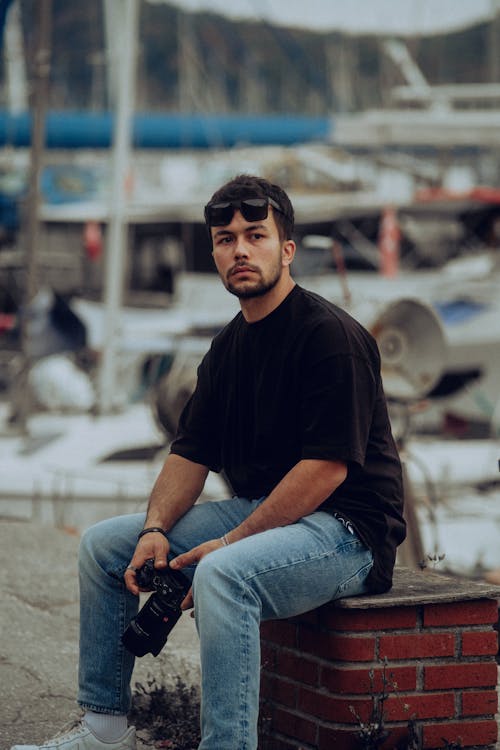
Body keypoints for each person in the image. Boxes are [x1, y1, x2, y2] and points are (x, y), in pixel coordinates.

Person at [12, 174, 406, 750]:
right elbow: (190, 451)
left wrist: (230, 544)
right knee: (104, 547)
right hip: (266, 513)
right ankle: (104, 729)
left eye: (255, 235)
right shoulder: (228, 347)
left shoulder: (330, 337)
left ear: (287, 248)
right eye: (225, 239)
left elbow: (327, 470)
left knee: (224, 575)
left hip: (347, 531)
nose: (240, 250)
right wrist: (154, 529)